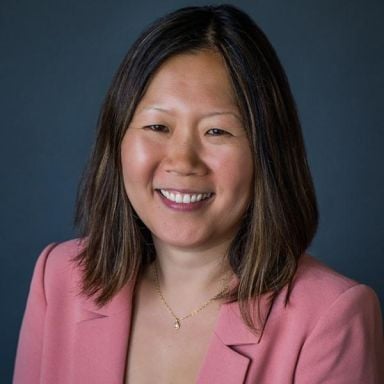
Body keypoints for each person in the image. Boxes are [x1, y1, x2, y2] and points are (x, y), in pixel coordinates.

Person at [13, 4, 383, 384]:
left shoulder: (331, 319)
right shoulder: (57, 278)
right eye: (158, 125)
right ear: (117, 139)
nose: (183, 160)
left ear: (267, 152)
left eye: (217, 132)